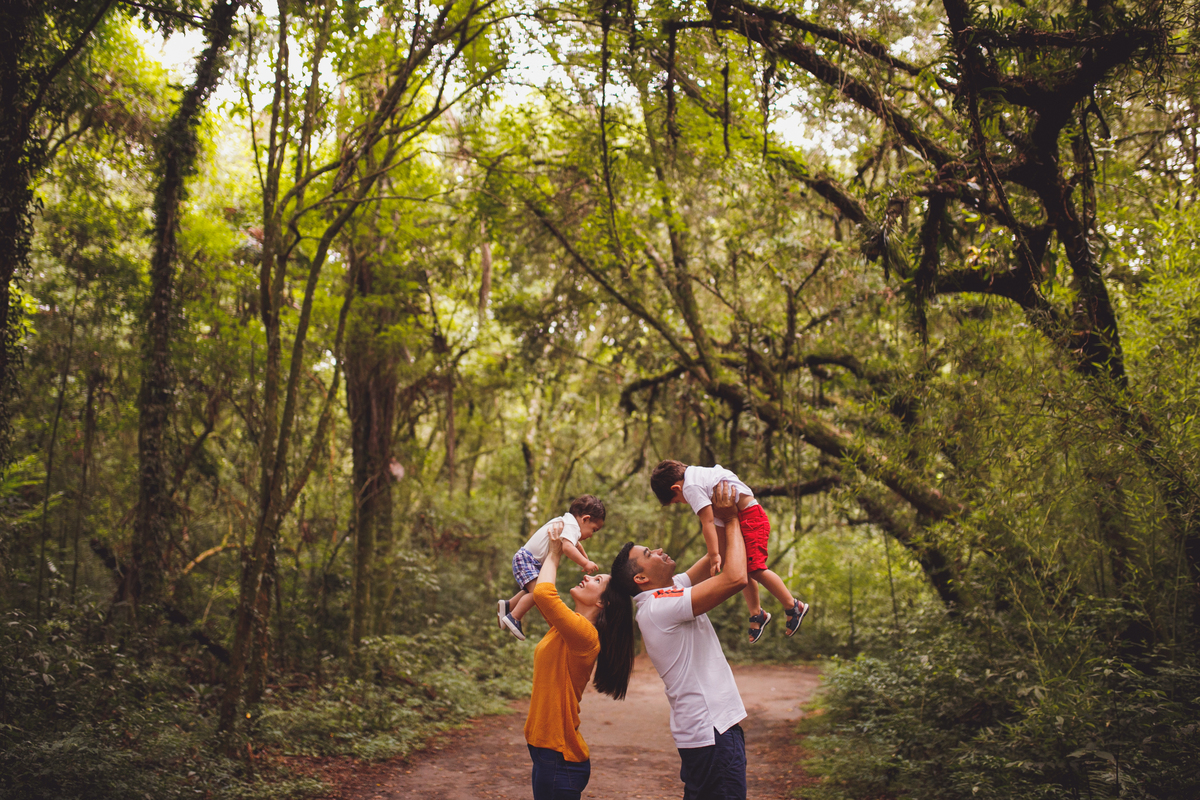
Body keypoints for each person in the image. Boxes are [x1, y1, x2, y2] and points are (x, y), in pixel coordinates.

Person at [611, 481, 750, 799]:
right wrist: (729, 520)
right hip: (711, 729)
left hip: (707, 731)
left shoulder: (668, 591)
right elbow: (735, 578)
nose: (658, 550)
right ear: (641, 578)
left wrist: (718, 512)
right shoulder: (660, 607)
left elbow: (718, 556)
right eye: (649, 554)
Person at [525, 519, 635, 800]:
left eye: (596, 580)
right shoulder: (569, 628)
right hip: (547, 753)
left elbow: (543, 593)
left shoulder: (586, 635)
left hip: (559, 758)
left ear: (602, 603)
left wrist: (555, 552)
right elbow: (541, 596)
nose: (587, 577)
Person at [650, 460, 808, 644]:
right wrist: (720, 555)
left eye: (677, 500)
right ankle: (757, 614)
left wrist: (714, 554)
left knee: (755, 568)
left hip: (750, 517)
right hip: (739, 516)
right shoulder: (700, 476)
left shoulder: (691, 486)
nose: (682, 502)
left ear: (676, 487)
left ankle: (792, 605)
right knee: (738, 564)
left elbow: (707, 522)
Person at [499, 495, 605, 641]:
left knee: (530, 590)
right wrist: (585, 564)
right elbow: (568, 548)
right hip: (528, 560)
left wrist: (585, 558)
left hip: (527, 558)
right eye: (594, 529)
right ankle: (514, 617)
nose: (592, 535)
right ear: (585, 519)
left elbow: (576, 545)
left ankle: (508, 605)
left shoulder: (567, 522)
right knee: (538, 593)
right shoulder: (572, 526)